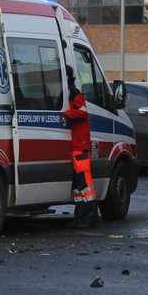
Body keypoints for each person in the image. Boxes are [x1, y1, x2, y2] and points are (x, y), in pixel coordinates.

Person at [63, 65, 98, 228]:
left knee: (84, 183)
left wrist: (66, 114)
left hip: (80, 145)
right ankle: (80, 218)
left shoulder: (73, 93)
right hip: (74, 145)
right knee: (78, 186)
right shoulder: (68, 92)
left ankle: (90, 217)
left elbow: (83, 112)